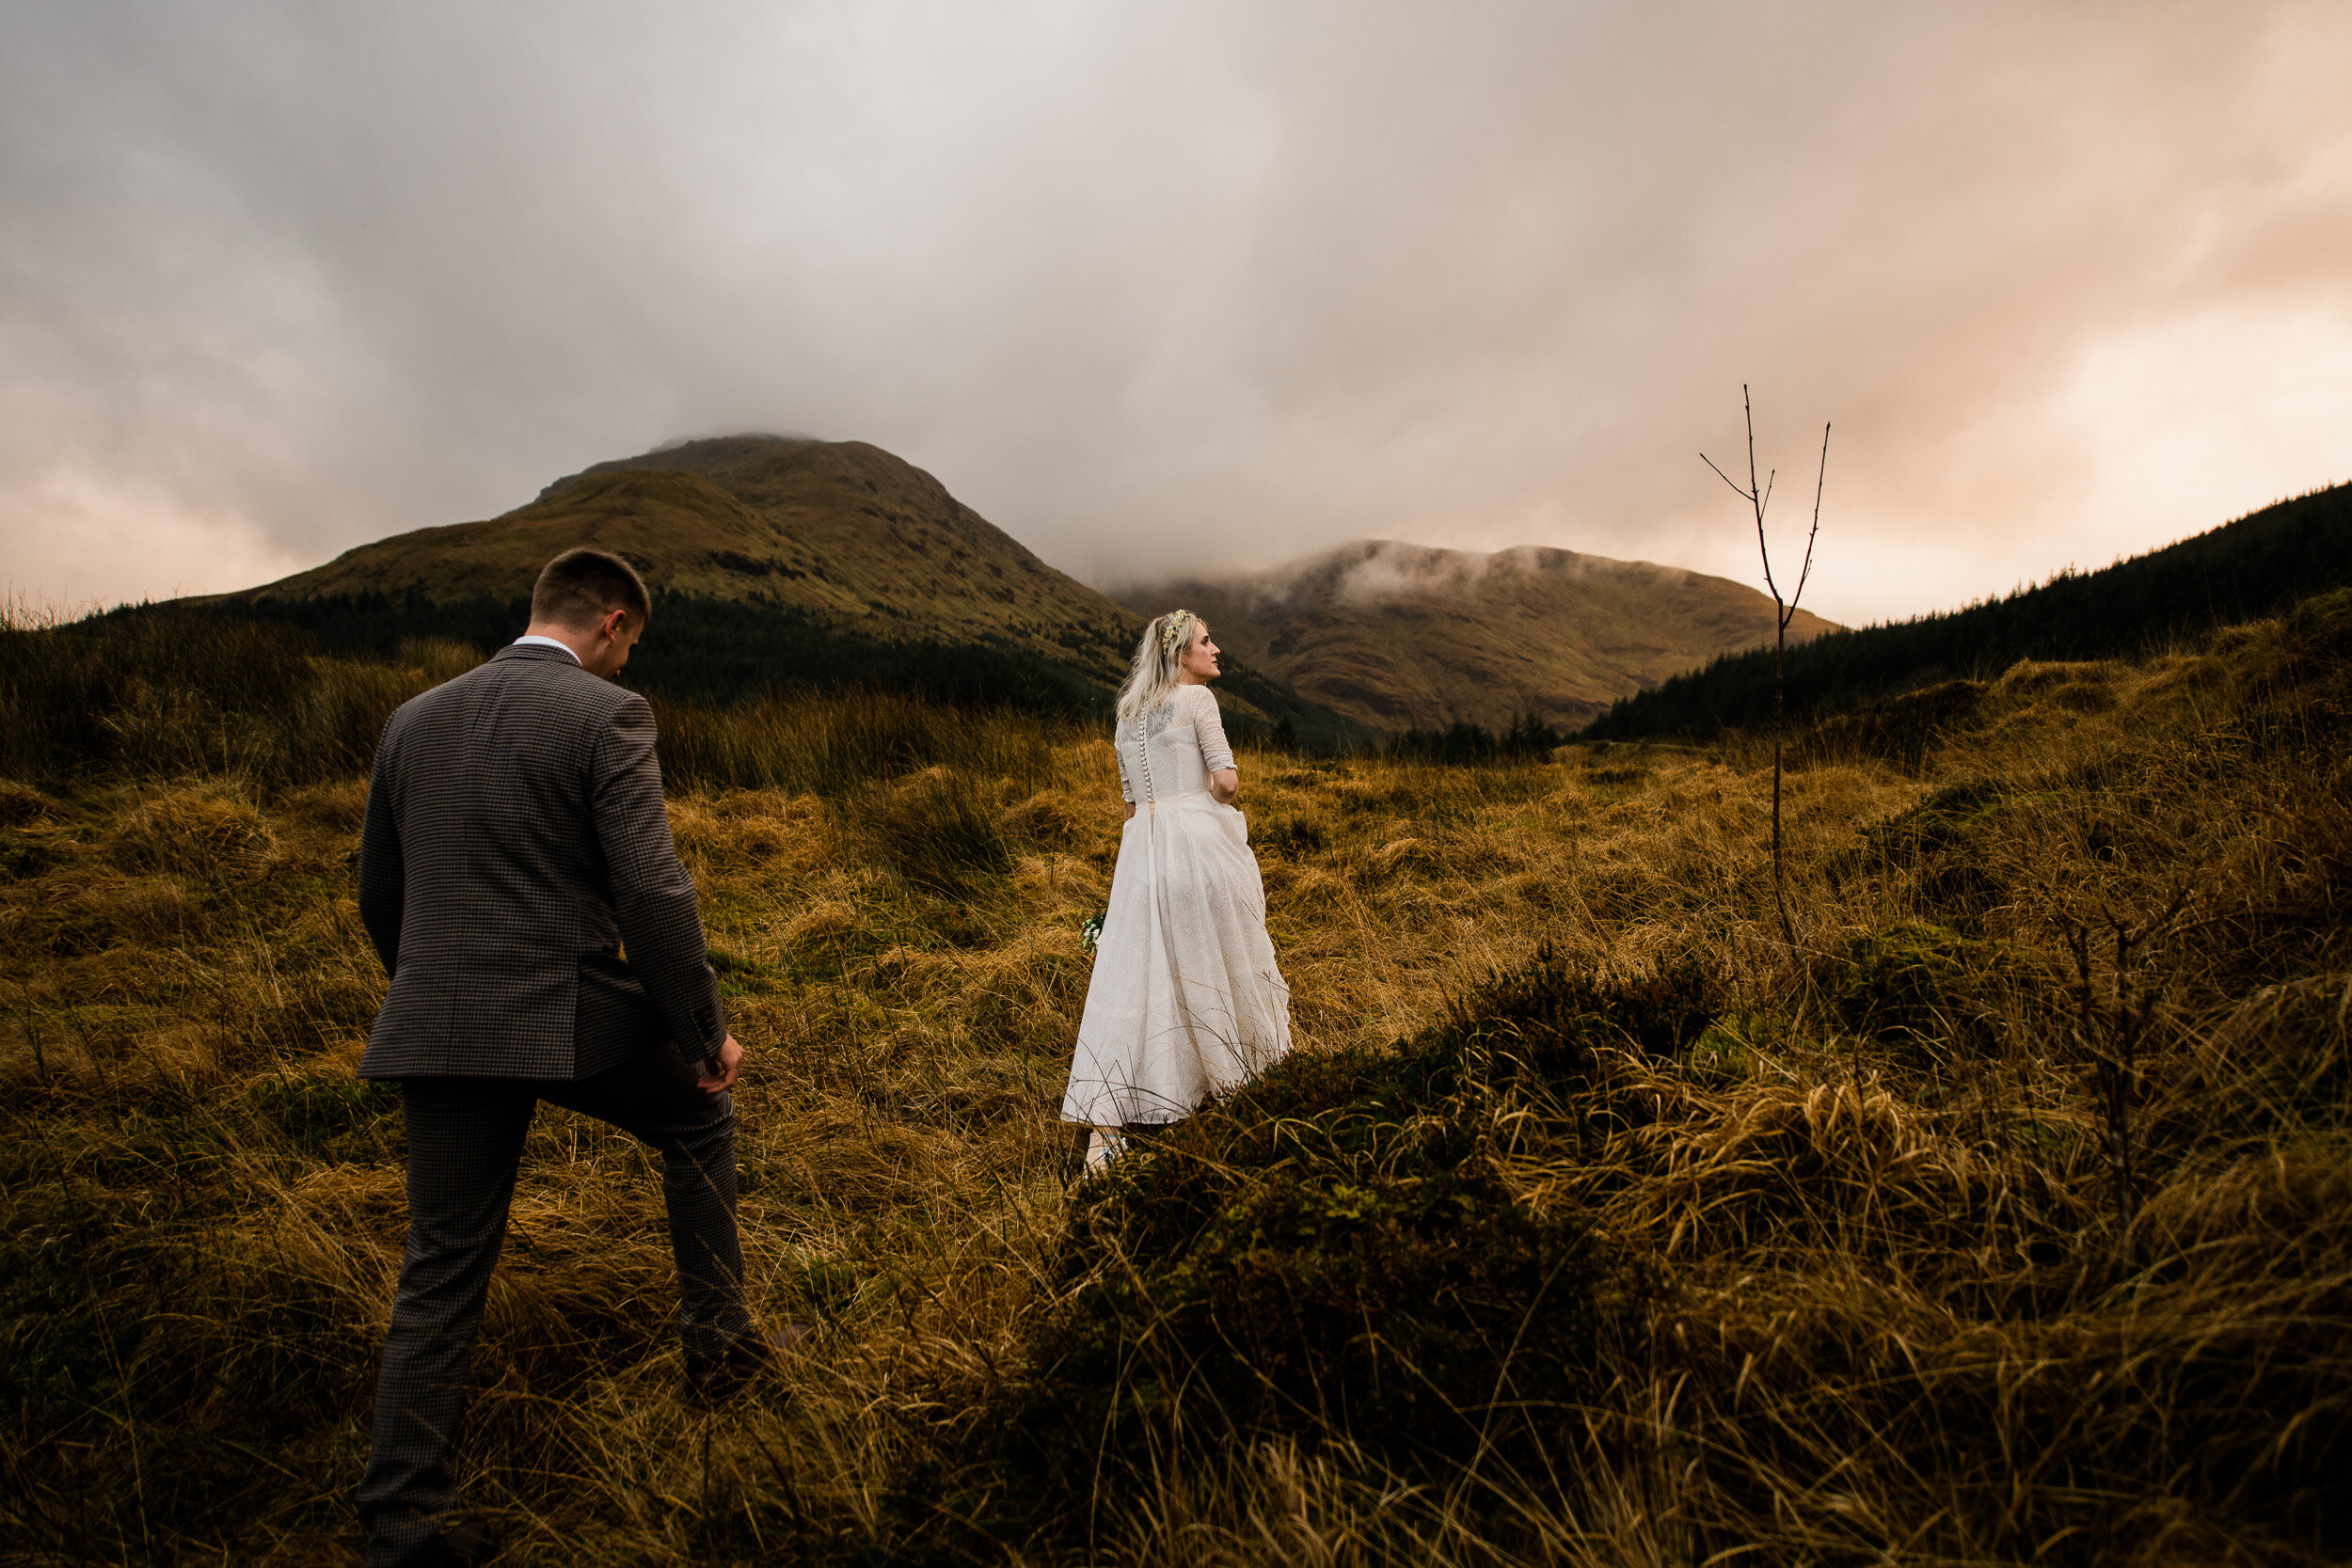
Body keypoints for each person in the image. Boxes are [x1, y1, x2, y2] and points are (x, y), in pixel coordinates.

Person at [353, 547, 787, 1567]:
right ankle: (719, 1351)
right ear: (614, 623)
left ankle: (401, 1523)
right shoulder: (608, 714)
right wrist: (699, 1029)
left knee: (442, 1262)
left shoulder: (411, 719)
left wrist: (435, 992)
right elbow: (653, 891)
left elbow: (380, 890)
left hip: (441, 1021)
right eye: (630, 639)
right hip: (566, 1017)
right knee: (696, 1110)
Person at [1059, 610, 1293, 1169]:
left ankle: (1105, 1132)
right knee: (1213, 958)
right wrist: (1215, 792)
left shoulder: (1126, 715)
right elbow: (1227, 783)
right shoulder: (1198, 703)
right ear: (1179, 655)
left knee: (1137, 975)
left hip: (1142, 853)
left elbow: (1130, 805)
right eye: (1206, 642)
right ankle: (1235, 1081)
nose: (1216, 650)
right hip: (1194, 844)